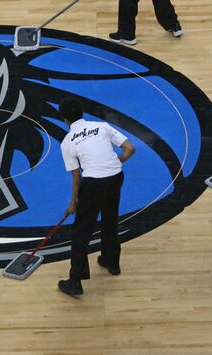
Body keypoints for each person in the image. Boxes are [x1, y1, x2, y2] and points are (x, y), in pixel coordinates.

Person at [56, 98, 135, 297]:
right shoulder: (102, 126)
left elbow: (77, 177)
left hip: (93, 185)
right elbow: (130, 149)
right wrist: (115, 162)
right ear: (82, 112)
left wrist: (73, 203)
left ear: (65, 119)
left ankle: (75, 281)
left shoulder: (67, 142)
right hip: (116, 177)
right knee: (110, 218)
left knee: (81, 231)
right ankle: (112, 262)